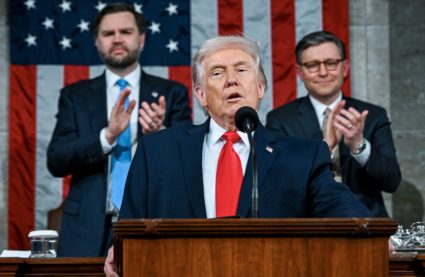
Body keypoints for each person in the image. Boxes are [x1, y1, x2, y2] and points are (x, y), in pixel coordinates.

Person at [104, 35, 371, 276]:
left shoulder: (302, 155)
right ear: (201, 94)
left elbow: (341, 206)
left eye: (242, 70)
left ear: (260, 88)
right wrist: (119, 251)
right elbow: (130, 226)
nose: (232, 79)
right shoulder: (158, 151)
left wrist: (375, 235)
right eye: (217, 73)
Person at [47, 3, 192, 257]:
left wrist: (160, 136)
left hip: (151, 221)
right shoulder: (75, 96)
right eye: (107, 34)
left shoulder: (172, 93)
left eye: (125, 31)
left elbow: (190, 162)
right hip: (87, 228)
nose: (117, 39)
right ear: (97, 42)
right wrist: (107, 136)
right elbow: (56, 160)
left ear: (142, 38)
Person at [266, 31, 401, 217]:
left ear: (344, 67)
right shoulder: (280, 120)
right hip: (309, 226)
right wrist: (325, 147)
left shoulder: (372, 115)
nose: (323, 72)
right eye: (313, 65)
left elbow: (392, 182)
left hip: (368, 225)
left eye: (330, 63)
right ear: (299, 72)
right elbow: (280, 185)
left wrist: (358, 145)